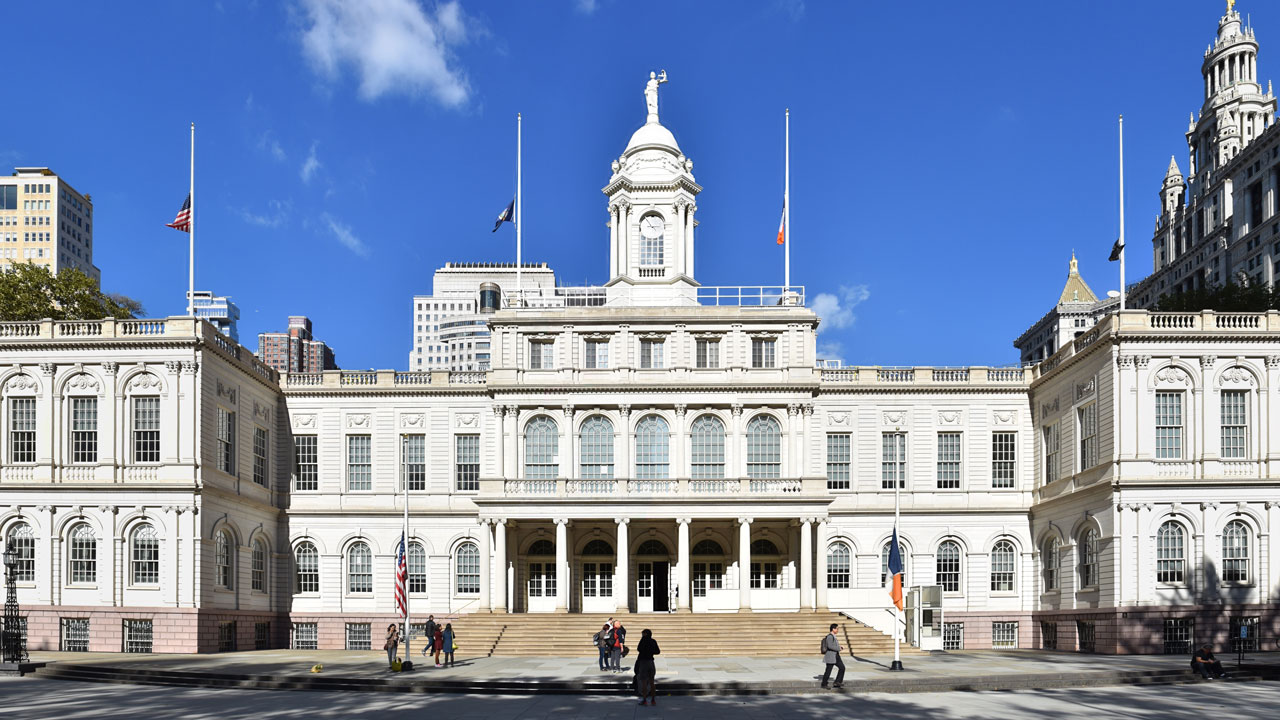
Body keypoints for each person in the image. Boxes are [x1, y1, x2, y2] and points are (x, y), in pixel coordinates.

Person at [634, 628, 661, 705]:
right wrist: (651, 652)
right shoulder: (653, 641)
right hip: (651, 661)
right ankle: (653, 700)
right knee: (652, 682)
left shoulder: (643, 640)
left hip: (643, 662)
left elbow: (638, 649)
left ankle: (645, 699)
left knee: (644, 681)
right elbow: (658, 651)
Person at [821, 623, 845, 689]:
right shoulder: (830, 636)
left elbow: (833, 645)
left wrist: (839, 647)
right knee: (828, 670)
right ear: (833, 629)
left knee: (842, 668)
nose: (838, 630)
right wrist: (839, 648)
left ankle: (837, 682)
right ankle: (824, 684)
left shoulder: (834, 636)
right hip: (830, 656)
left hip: (836, 655)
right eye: (837, 629)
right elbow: (830, 646)